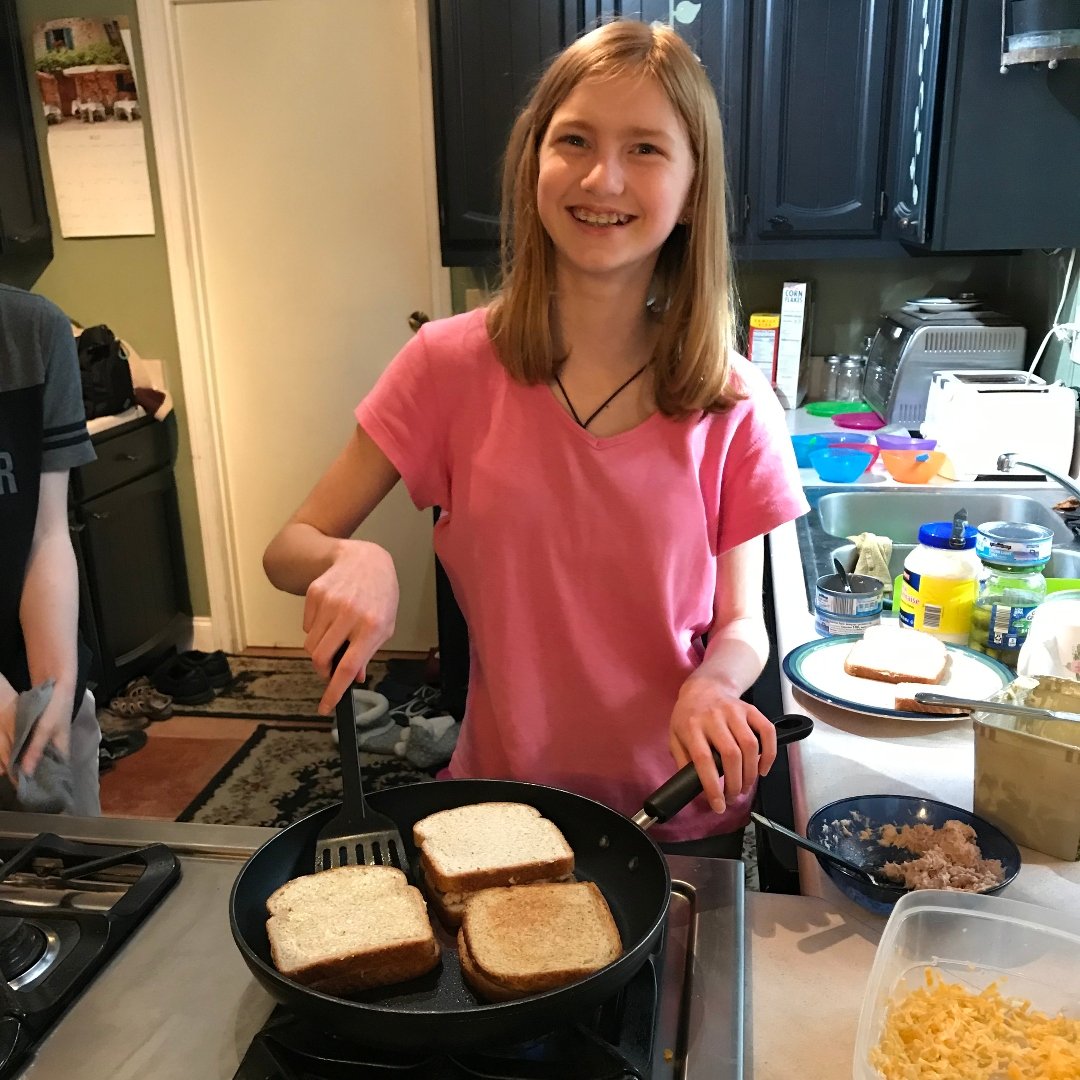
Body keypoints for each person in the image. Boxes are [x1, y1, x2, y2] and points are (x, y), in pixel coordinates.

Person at [263, 20, 808, 855]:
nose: (603, 178)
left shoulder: (733, 402)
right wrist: (348, 558)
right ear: (534, 163)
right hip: (497, 811)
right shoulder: (443, 367)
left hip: (673, 817)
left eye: (647, 150)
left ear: (696, 187)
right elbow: (288, 546)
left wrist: (716, 683)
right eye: (575, 140)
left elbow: (744, 624)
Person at [0, 283, 101, 815]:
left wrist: (52, 692)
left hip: (21, 644)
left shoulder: (35, 330)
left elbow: (46, 534)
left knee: (76, 858)